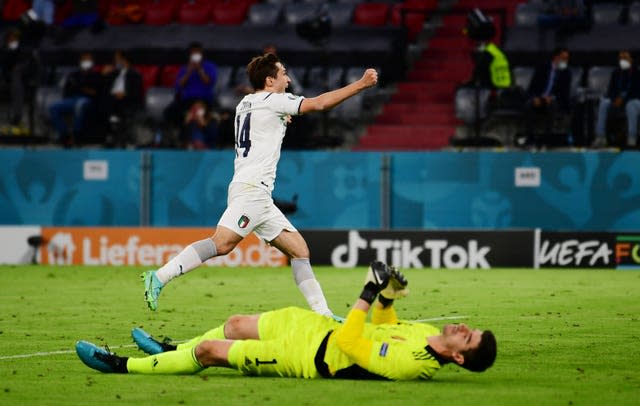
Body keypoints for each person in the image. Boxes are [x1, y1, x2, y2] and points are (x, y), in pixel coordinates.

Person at [141, 53, 378, 317]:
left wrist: (281, 119)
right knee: (221, 244)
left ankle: (323, 314)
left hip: (255, 192)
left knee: (299, 250)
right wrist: (361, 84)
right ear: (269, 80)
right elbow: (320, 104)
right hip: (252, 190)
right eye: (283, 74)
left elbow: (263, 124)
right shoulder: (274, 102)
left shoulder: (245, 103)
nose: (288, 79)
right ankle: (159, 277)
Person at [77, 262, 497, 380]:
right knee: (235, 322)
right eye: (471, 327)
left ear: (459, 358)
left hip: (304, 355)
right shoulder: (425, 334)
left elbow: (353, 343)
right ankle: (171, 351)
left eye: (468, 338)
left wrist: (367, 293)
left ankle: (121, 366)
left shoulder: (410, 365)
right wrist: (388, 297)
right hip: (313, 328)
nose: (463, 329)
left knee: (208, 353)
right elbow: (385, 326)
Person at [163, 41, 217, 146]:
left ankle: (199, 141)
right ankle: (179, 139)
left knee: (197, 114)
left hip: (204, 100)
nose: (195, 56)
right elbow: (179, 85)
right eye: (193, 53)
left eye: (197, 53)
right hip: (187, 101)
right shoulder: (185, 68)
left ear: (201, 54)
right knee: (169, 112)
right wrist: (189, 71)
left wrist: (199, 70)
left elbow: (209, 82)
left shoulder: (209, 66)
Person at [521, 47, 573, 146]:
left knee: (551, 105)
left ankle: (547, 139)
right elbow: (532, 88)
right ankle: (530, 137)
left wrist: (552, 98)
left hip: (555, 101)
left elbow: (564, 94)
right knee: (528, 105)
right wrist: (535, 98)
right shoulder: (542, 68)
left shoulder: (567, 73)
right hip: (540, 99)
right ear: (556, 58)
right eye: (563, 58)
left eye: (567, 59)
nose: (565, 61)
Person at [48, 52, 101, 144]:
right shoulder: (74, 75)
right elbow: (67, 89)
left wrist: (81, 88)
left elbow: (94, 92)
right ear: (80, 61)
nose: (86, 61)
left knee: (79, 105)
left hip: (87, 100)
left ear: (92, 61)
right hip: (72, 98)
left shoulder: (96, 75)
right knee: (54, 107)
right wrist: (79, 89)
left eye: (88, 59)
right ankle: (64, 134)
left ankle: (76, 135)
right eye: (84, 59)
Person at [592, 51, 640, 149]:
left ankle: (632, 137)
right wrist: (615, 99)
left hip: (633, 100)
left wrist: (623, 99)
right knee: (604, 102)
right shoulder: (616, 72)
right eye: (621, 58)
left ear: (631, 59)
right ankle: (600, 137)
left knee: (631, 105)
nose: (623, 60)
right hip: (617, 100)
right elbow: (610, 91)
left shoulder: (637, 72)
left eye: (625, 58)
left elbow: (637, 92)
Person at [99, 50, 143, 146]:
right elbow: (101, 88)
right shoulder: (113, 74)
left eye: (117, 60)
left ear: (124, 60)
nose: (115, 62)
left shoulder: (135, 74)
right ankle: (107, 138)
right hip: (112, 100)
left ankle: (123, 140)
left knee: (122, 110)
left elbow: (137, 93)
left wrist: (125, 94)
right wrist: (103, 75)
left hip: (127, 100)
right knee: (102, 105)